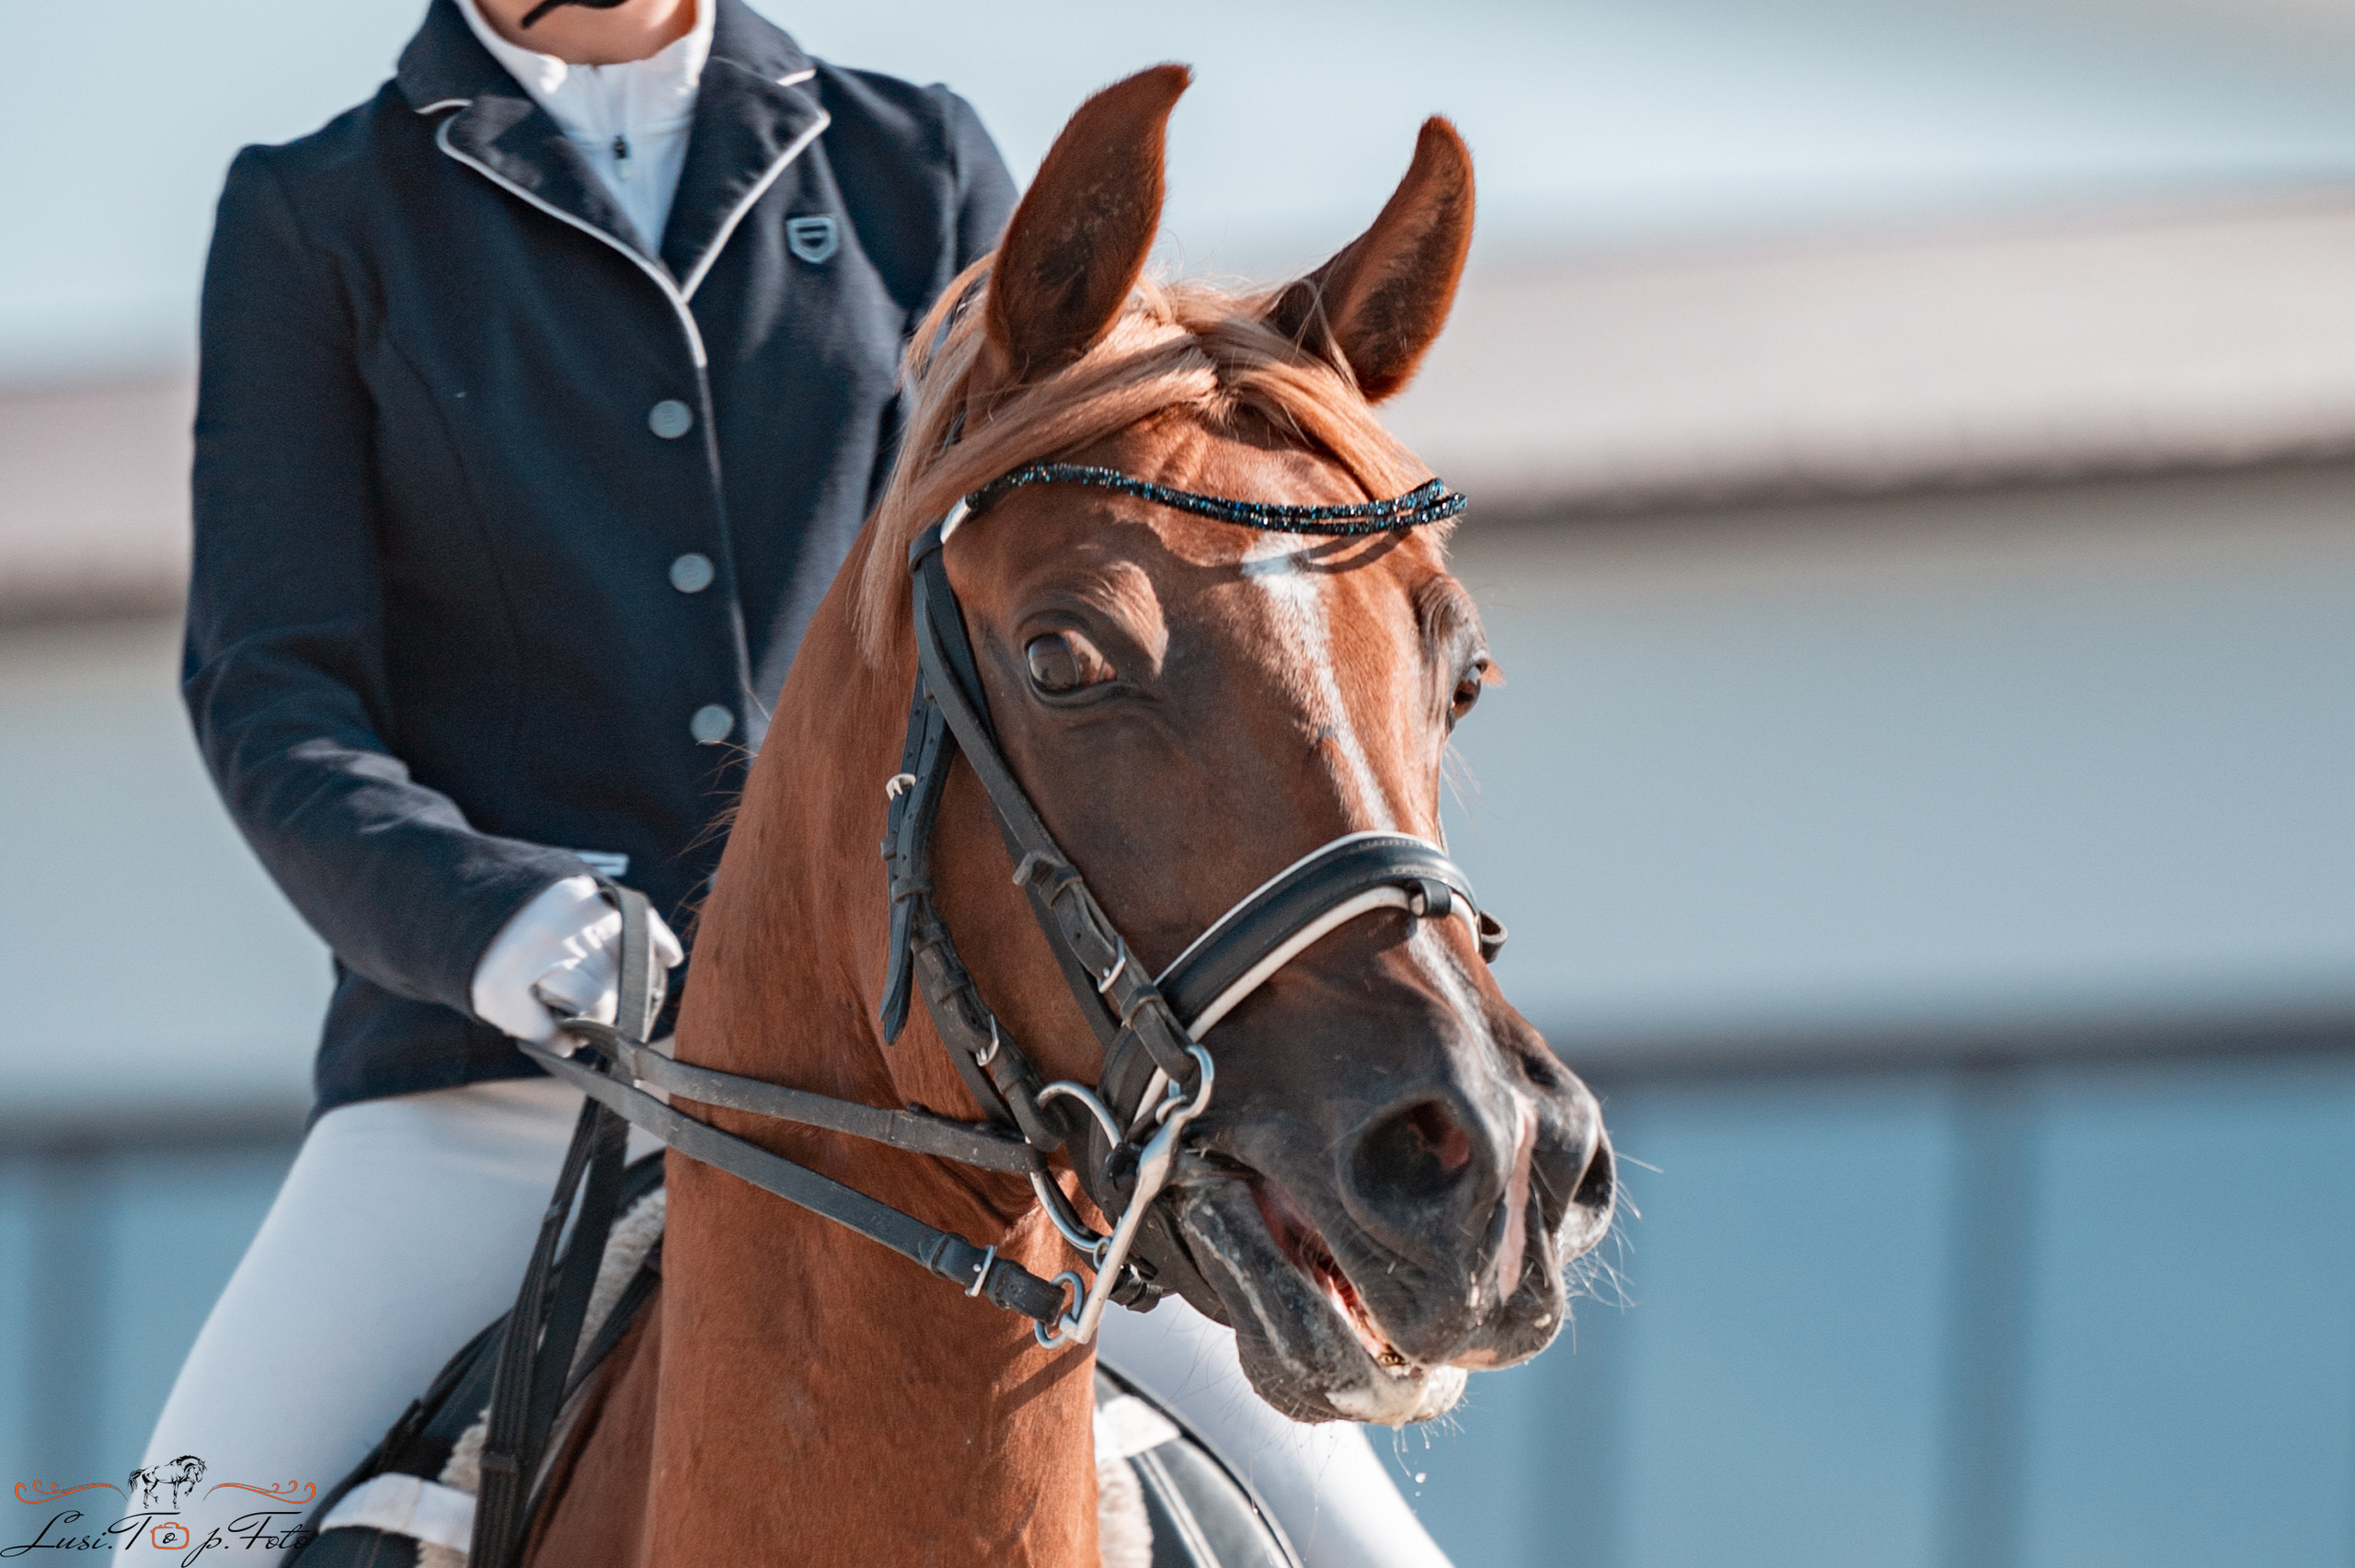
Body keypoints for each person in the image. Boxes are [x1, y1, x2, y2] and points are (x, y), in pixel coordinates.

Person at [144, 0, 1452, 1562]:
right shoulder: (322, 216)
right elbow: (275, 700)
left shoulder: (914, 164)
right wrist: (500, 929)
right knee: (185, 1533)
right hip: (487, 1085)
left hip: (932, 1084)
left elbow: (1058, 565)